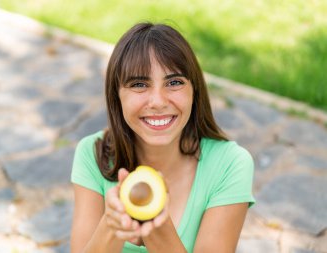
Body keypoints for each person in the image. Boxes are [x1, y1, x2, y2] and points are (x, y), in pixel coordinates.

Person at [70, 22, 255, 253]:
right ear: (116, 96)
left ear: (194, 90)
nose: (158, 101)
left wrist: (156, 224)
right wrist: (112, 225)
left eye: (174, 82)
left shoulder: (230, 164)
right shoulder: (93, 152)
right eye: (139, 84)